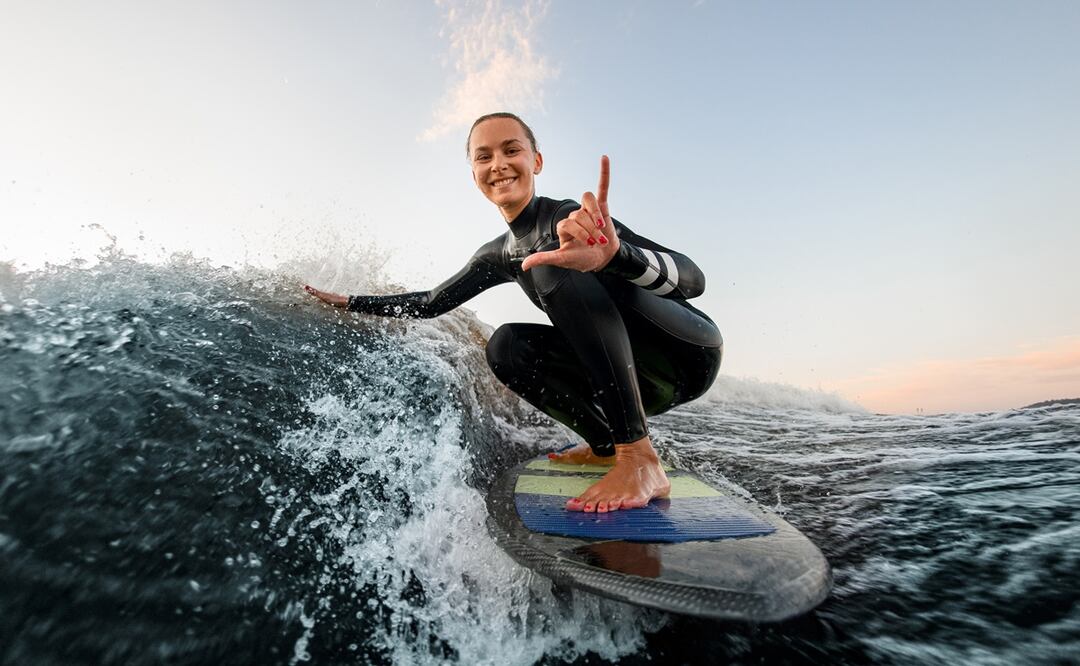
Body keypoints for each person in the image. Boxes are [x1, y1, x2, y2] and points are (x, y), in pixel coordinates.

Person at [304, 112, 722, 513]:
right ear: (474, 175)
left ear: (536, 161)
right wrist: (351, 302)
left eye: (511, 150)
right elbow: (432, 302)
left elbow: (694, 280)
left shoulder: (569, 219)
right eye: (483, 157)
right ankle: (607, 447)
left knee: (551, 261)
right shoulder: (497, 255)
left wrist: (615, 256)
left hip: (687, 352)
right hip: (639, 382)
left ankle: (639, 459)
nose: (498, 164)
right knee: (506, 346)